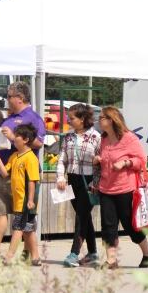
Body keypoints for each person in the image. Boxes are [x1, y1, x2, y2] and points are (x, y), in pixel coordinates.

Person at [0, 81, 45, 261]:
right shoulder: (9, 118)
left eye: (9, 96)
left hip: (23, 173)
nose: (7, 99)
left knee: (24, 216)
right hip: (5, 170)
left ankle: (28, 253)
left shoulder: (33, 118)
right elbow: (0, 143)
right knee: (0, 208)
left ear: (20, 98)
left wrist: (13, 137)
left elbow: (39, 142)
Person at [94, 106, 148, 270]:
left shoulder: (129, 138)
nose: (99, 120)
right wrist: (99, 160)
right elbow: (105, 160)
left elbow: (142, 160)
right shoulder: (104, 139)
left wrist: (126, 162)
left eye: (102, 117)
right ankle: (111, 260)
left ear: (112, 119)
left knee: (130, 225)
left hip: (125, 188)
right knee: (108, 226)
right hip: (106, 188)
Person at [0, 124, 42, 265]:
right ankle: (36, 258)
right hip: (19, 200)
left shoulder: (31, 158)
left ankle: (9, 256)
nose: (13, 138)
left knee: (18, 227)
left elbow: (32, 180)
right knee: (28, 229)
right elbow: (5, 173)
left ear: (25, 139)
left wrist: (30, 199)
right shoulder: (14, 156)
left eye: (16, 136)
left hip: (25, 201)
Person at [56, 104, 101, 267]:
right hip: (72, 180)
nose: (68, 119)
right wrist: (60, 177)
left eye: (72, 117)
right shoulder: (68, 137)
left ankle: (74, 253)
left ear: (82, 119)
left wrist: (96, 183)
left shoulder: (96, 137)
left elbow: (100, 163)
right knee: (84, 216)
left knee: (81, 216)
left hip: (89, 181)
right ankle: (93, 252)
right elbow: (62, 159)